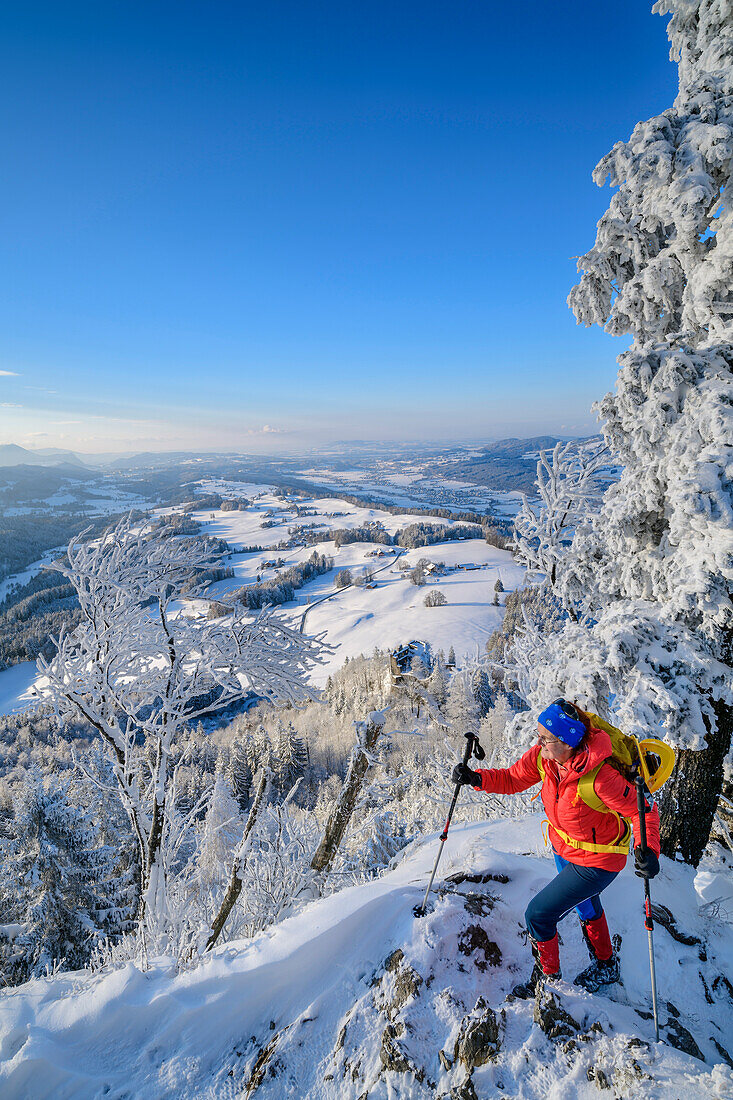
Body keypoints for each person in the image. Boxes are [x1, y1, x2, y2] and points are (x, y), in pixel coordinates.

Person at [452, 698, 661, 996]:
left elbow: (645, 811)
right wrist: (476, 778)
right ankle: (606, 965)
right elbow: (512, 778)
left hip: (598, 859)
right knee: (586, 905)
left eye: (546, 739)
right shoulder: (544, 758)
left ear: (568, 742)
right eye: (539, 736)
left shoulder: (600, 779)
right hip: (564, 847)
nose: (540, 744)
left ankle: (548, 981)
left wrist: (648, 850)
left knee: (538, 914)